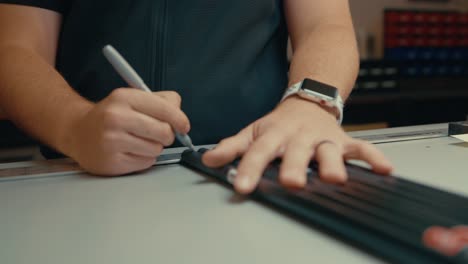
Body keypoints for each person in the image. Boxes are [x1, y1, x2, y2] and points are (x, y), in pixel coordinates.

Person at [0, 0, 393, 194]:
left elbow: (326, 24)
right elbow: (15, 49)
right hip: (85, 178)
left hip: (252, 172)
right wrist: (74, 125)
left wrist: (310, 102)